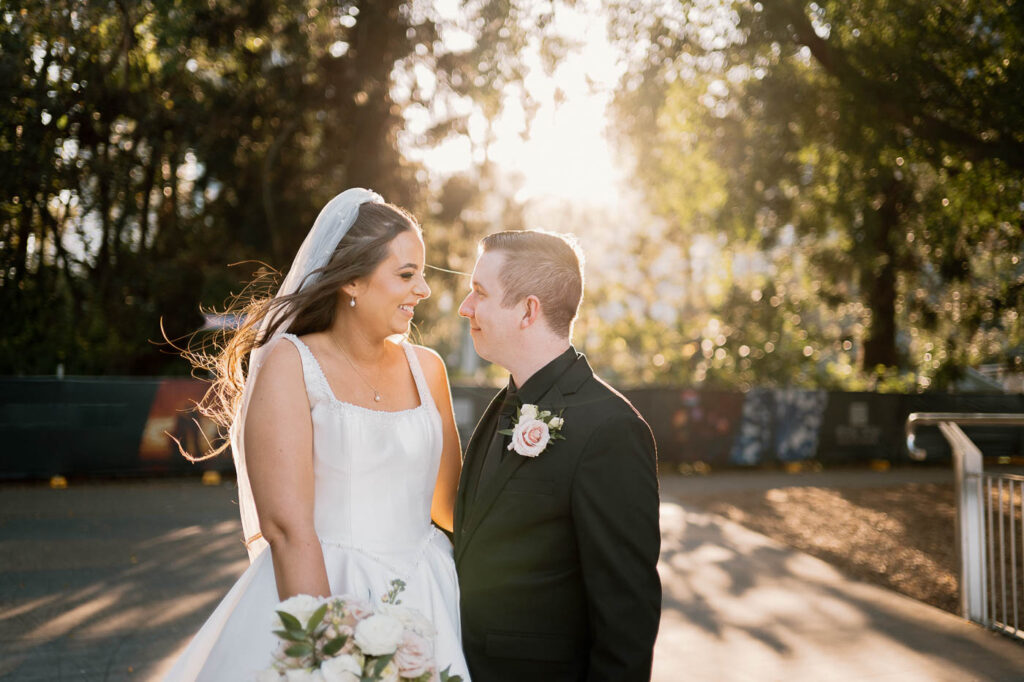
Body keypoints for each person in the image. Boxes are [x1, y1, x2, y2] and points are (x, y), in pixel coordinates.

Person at [166, 188, 470, 680]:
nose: (424, 290)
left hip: (430, 596)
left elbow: (449, 507)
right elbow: (287, 528)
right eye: (407, 274)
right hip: (317, 585)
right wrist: (331, 649)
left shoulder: (429, 369)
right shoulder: (292, 363)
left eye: (424, 275)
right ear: (352, 279)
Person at [454, 230, 661, 681]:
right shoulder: (502, 405)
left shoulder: (611, 430)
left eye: (479, 293)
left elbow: (627, 620)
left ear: (528, 310)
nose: (465, 307)